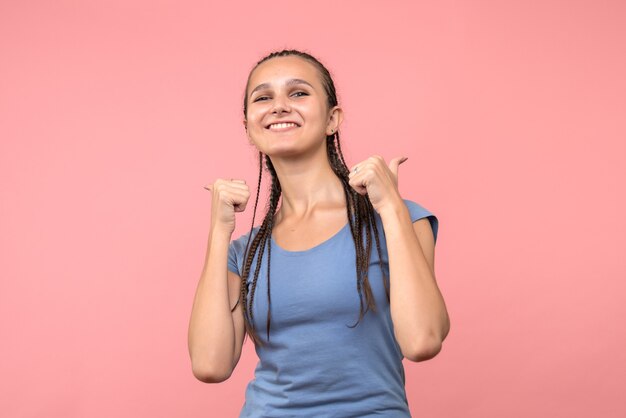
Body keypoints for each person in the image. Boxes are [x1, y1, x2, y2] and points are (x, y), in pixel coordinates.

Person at [188, 49, 450, 417]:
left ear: (332, 119)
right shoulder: (244, 252)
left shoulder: (399, 219)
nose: (279, 106)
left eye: (298, 93)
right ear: (248, 126)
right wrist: (219, 230)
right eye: (263, 97)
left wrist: (390, 208)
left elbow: (423, 340)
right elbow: (210, 365)